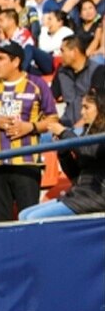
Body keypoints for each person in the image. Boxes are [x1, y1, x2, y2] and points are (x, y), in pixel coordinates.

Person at [0, 42, 59, 222]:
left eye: (0, 58)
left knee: (29, 217)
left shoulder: (37, 84)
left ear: (16, 61)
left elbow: (53, 119)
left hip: (26, 163)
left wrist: (30, 127)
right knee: (0, 221)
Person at [20, 89, 105, 220]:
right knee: (23, 215)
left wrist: (64, 133)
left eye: (86, 107)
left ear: (101, 107)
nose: (82, 112)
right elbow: (75, 176)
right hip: (79, 195)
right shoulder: (88, 132)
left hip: (96, 198)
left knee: (32, 218)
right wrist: (63, 151)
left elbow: (89, 150)